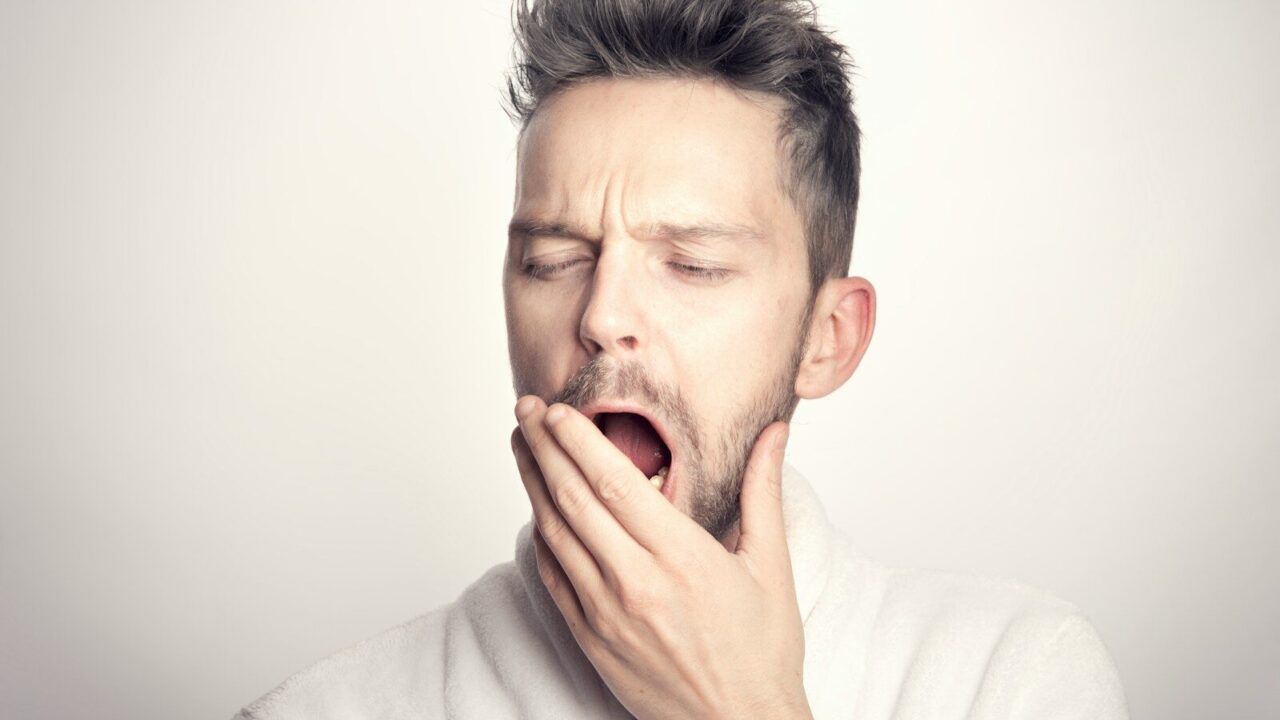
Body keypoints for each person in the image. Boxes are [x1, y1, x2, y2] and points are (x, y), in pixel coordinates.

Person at [234, 1, 1128, 717]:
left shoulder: (1010, 678)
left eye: (693, 264)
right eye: (553, 260)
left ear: (828, 339)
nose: (603, 314)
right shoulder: (327, 708)